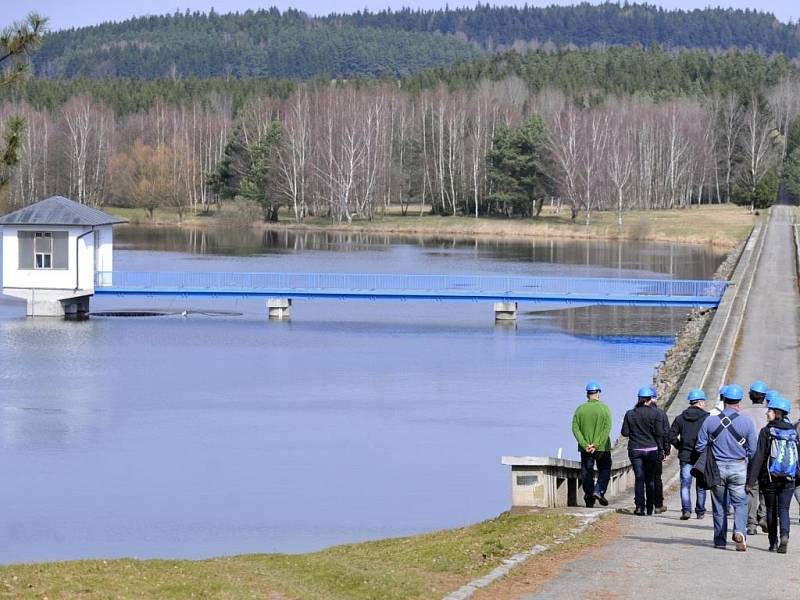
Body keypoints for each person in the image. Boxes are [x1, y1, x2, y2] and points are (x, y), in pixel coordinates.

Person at [696, 384, 758, 551]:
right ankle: (739, 531)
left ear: (723, 400)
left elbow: (700, 446)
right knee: (740, 504)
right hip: (739, 466)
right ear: (739, 401)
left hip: (717, 468)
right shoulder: (747, 422)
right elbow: (753, 450)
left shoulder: (710, 420)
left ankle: (720, 540)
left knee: (719, 505)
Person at [746, 395, 798, 553]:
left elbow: (759, 456)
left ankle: (773, 542)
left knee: (771, 510)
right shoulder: (793, 432)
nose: (767, 413)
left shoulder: (766, 431)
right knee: (784, 509)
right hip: (789, 478)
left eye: (770, 411)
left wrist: (751, 481)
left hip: (769, 478)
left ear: (777, 413)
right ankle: (785, 535)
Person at [621, 387, 664, 516]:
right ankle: (650, 507)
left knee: (639, 478)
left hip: (635, 449)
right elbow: (659, 433)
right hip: (651, 450)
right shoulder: (656, 414)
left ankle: (639, 507)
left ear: (638, 398)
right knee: (650, 479)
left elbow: (625, 432)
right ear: (650, 399)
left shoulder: (630, 413)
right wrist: (661, 449)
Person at [669, 388, 709, 520]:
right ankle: (700, 511)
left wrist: (680, 445)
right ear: (700, 402)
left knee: (685, 484)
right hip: (701, 456)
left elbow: (671, 436)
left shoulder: (680, 418)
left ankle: (686, 510)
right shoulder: (707, 418)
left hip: (685, 455)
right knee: (701, 485)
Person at [571, 380, 613, 508]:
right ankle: (598, 491)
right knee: (604, 469)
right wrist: (597, 444)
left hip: (585, 449)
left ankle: (589, 497)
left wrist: (585, 444)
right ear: (598, 393)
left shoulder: (580, 409)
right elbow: (607, 428)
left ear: (587, 394)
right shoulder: (604, 408)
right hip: (602, 448)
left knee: (587, 472)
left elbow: (575, 428)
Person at [741, 380, 769, 535]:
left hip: (749, 458)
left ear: (750, 396)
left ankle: (750, 524)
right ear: (764, 397)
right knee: (765, 489)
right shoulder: (769, 414)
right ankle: (763, 516)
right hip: (767, 459)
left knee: (751, 490)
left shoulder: (743, 413)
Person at [648, 386, 670, 514]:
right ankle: (658, 504)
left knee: (643, 478)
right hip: (656, 450)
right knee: (657, 478)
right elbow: (665, 433)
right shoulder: (661, 413)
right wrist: (666, 450)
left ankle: (645, 504)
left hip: (641, 449)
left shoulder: (635, 412)